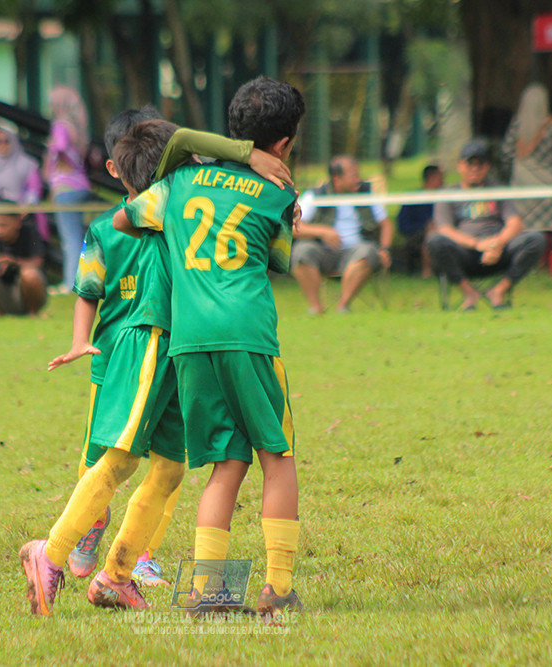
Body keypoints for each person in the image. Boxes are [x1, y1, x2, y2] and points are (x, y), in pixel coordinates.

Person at [20, 111, 293, 616]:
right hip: (149, 342)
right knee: (122, 460)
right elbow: (95, 280)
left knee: (170, 469)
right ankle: (50, 553)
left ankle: (116, 575)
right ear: (183, 161)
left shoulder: (185, 199)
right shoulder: (157, 207)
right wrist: (250, 157)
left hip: (182, 351)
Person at [114, 76, 305, 620]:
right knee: (278, 456)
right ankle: (277, 588)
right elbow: (277, 260)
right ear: (285, 145)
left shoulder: (178, 184)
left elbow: (125, 220)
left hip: (190, 340)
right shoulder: (278, 193)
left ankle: (208, 592)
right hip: (247, 335)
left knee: (224, 463)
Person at [427, 140, 545, 310]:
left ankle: (499, 291)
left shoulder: (497, 190)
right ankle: (468, 292)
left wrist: (497, 244)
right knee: (435, 241)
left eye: (479, 164)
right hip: (465, 253)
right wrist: (477, 244)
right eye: (470, 163)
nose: (474, 168)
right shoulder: (448, 194)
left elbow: (515, 223)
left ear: (487, 166)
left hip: (498, 252)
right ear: (460, 166)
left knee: (535, 239)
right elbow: (445, 229)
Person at [291, 155, 393, 313]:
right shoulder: (316, 196)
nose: (358, 179)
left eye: (358, 174)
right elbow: (293, 227)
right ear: (337, 179)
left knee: (367, 252)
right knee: (301, 252)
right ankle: (316, 307)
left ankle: (343, 306)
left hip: (357, 252)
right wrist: (322, 231)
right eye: (353, 176)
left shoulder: (367, 194)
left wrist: (385, 249)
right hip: (324, 252)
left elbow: (386, 224)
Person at [500, 83, 552, 269]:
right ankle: (546, 264)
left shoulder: (516, 125)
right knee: (547, 230)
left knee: (522, 227)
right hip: (548, 188)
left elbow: (506, 153)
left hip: (522, 186)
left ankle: (524, 262)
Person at [44, 86, 93, 295]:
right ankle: (83, 279)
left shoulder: (60, 126)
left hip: (65, 187)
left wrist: (55, 160)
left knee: (70, 238)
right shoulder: (77, 127)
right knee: (80, 237)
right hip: (81, 185)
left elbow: (61, 148)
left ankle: (71, 283)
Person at [0, 128, 48, 242]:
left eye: (6, 141)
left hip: (19, 212)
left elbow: (34, 190)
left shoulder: (28, 164)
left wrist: (27, 207)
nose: (2, 145)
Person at [396, 164, 443, 278]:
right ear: (432, 178)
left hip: (442, 230)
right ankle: (427, 271)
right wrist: (425, 227)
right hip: (417, 234)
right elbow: (403, 225)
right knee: (429, 235)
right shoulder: (413, 198)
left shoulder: (443, 198)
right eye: (441, 177)